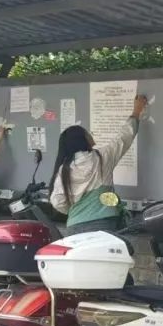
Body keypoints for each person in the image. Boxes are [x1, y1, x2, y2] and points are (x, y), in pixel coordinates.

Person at [50, 94, 148, 234]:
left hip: (74, 227)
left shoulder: (64, 169)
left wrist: (78, 208)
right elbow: (124, 137)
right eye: (87, 133)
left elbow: (57, 201)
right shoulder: (101, 158)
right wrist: (136, 111)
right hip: (103, 225)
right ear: (83, 139)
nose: (90, 134)